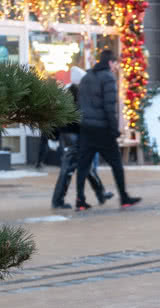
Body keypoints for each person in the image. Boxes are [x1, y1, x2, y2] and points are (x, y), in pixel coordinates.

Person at [74, 49, 141, 210]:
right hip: (102, 129)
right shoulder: (108, 78)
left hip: (86, 129)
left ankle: (80, 200)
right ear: (110, 62)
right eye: (115, 64)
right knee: (116, 164)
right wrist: (114, 129)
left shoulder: (86, 77)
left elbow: (78, 104)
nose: (116, 67)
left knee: (83, 166)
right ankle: (124, 197)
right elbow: (109, 107)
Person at [51, 66, 113, 209]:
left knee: (86, 166)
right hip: (75, 136)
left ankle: (101, 193)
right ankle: (58, 200)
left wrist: (53, 137)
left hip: (73, 135)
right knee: (68, 169)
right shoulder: (76, 94)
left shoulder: (69, 93)